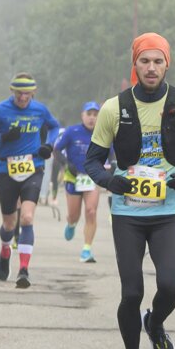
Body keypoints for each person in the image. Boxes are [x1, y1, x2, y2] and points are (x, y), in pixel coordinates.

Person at [81, 33, 175, 349]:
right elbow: (92, 160)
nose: (151, 68)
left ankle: (156, 323)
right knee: (131, 292)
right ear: (135, 64)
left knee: (170, 285)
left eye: (158, 61)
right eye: (144, 61)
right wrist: (109, 181)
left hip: (168, 211)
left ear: (167, 64)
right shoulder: (113, 108)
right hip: (128, 214)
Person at [0, 74, 61, 289]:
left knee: (27, 217)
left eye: (27, 94)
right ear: (12, 91)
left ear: (33, 93)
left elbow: (54, 127)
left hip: (33, 167)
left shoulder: (40, 109)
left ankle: (23, 270)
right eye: (19, 94)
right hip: (6, 170)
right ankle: (5, 249)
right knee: (9, 224)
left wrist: (48, 145)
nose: (23, 98)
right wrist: (1, 137)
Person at [54, 101, 105, 263]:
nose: (92, 118)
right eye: (89, 114)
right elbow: (57, 150)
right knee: (74, 215)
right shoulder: (72, 131)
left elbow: (111, 153)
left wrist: (110, 166)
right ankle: (71, 224)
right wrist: (66, 164)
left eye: (95, 115)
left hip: (92, 178)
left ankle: (86, 249)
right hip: (73, 177)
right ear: (82, 115)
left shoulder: (103, 132)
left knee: (91, 211)